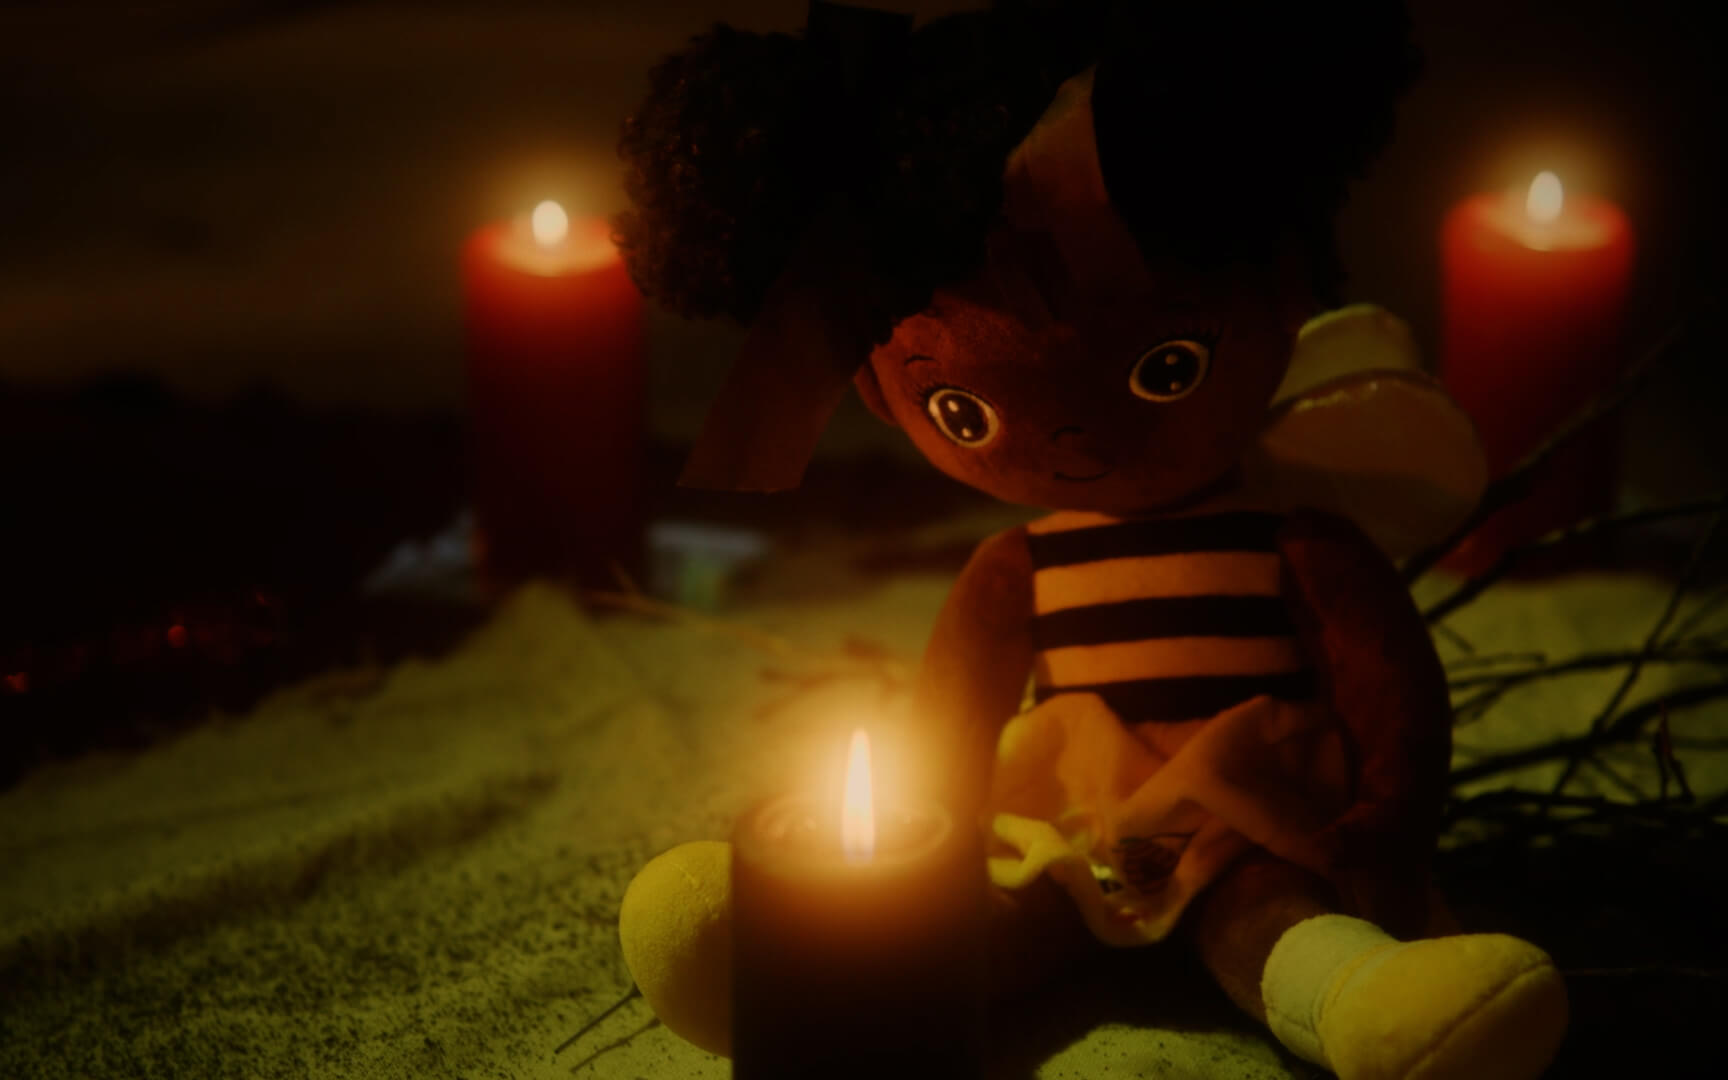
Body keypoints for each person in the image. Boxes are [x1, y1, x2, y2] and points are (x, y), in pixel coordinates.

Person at [612, 3, 1568, 1076]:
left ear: (1283, 290)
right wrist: (927, 828)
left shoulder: (1294, 543)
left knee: (1270, 914)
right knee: (984, 911)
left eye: (1167, 369)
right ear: (881, 393)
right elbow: (956, 720)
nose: (1069, 438)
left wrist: (1385, 823)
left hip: (1246, 810)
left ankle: (1371, 1003)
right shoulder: (1016, 570)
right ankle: (796, 970)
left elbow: (1383, 680)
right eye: (965, 410)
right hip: (1071, 820)